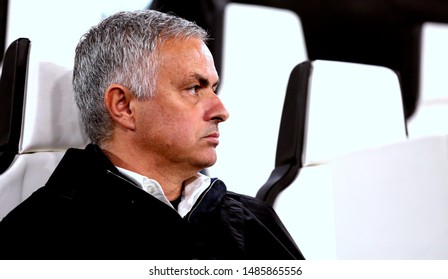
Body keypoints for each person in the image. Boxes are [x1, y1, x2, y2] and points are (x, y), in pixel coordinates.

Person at [0, 10, 304, 260]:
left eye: (214, 87)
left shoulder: (254, 219)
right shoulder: (39, 239)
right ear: (124, 106)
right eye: (193, 88)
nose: (221, 110)